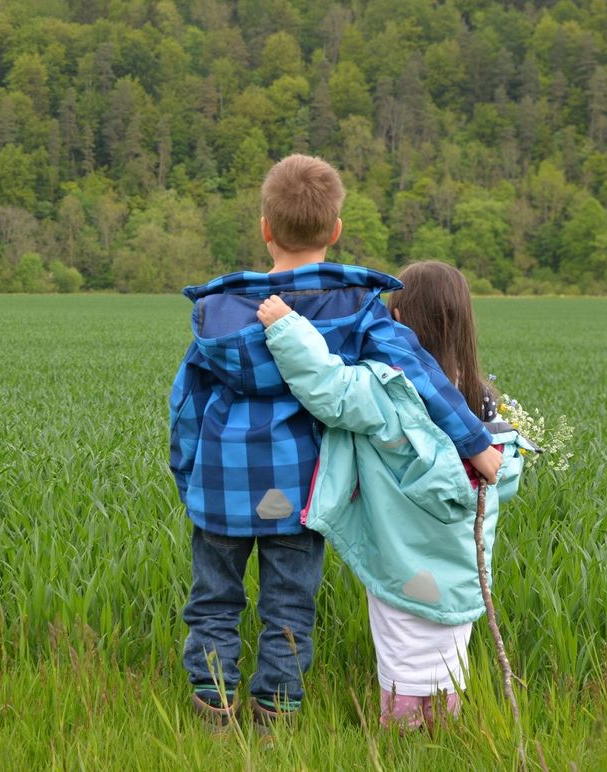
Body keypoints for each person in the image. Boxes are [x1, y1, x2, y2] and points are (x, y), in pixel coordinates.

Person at [169, 156, 502, 731]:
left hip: (221, 487)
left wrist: (188, 476)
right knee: (289, 607)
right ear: (337, 231)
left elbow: (187, 407)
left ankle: (213, 706)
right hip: (302, 489)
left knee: (213, 599)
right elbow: (420, 375)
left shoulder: (218, 314)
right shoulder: (356, 309)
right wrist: (475, 442)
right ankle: (276, 714)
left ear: (265, 229)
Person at [256, 261, 531, 731]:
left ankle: (399, 738)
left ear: (397, 322)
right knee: (447, 658)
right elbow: (498, 474)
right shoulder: (483, 401)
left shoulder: (391, 390)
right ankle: (445, 739)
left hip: (401, 558)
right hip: (462, 566)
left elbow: (329, 386)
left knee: (403, 654)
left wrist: (286, 327)